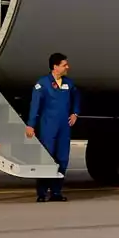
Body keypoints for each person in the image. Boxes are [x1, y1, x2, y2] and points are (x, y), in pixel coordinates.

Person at [26, 52, 81, 202]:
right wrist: (31, 125)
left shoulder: (69, 84)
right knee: (46, 158)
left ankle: (56, 191)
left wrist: (75, 113)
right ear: (55, 67)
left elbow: (76, 97)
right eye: (64, 65)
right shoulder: (42, 84)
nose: (67, 67)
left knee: (62, 158)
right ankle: (42, 192)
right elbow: (35, 105)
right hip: (48, 127)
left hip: (64, 127)